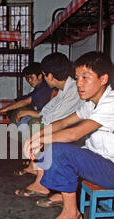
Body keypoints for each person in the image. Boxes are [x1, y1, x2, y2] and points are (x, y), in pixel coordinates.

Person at [24, 51, 114, 219]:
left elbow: (73, 133)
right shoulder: (91, 103)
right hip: (100, 159)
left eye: (85, 78)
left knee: (58, 150)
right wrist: (36, 135)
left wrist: (39, 140)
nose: (79, 83)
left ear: (103, 79)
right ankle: (65, 195)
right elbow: (64, 122)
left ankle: (72, 215)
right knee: (55, 144)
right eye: (77, 77)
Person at [14, 52, 83, 192]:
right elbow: (47, 110)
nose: (45, 79)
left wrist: (40, 121)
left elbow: (53, 118)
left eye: (45, 75)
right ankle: (36, 168)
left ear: (50, 76)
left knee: (39, 127)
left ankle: (41, 183)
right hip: (67, 125)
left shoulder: (73, 90)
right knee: (36, 124)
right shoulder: (64, 89)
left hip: (77, 132)